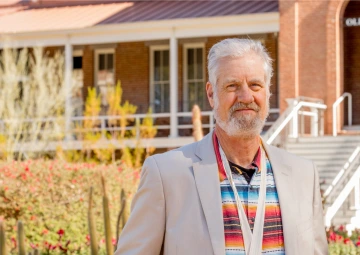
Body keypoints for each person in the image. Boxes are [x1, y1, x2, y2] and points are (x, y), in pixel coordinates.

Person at [115, 38, 328, 255]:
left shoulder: (303, 175)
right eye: (232, 86)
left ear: (267, 92)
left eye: (255, 85)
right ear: (211, 94)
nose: (246, 97)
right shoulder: (166, 175)